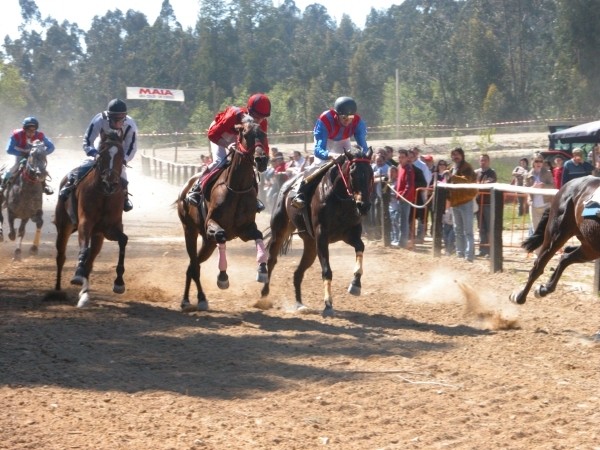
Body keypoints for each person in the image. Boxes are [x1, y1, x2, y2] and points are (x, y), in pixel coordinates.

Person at [187, 93, 271, 210]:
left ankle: (252, 198)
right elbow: (212, 134)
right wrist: (227, 144)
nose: (259, 120)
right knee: (220, 161)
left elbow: (263, 142)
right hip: (221, 131)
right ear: (249, 111)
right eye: (257, 116)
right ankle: (196, 189)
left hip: (239, 135)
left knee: (247, 163)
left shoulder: (262, 122)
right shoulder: (234, 114)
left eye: (263, 117)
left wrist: (264, 156)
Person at [59, 98, 138, 211]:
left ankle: (124, 196)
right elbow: (87, 141)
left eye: (120, 119)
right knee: (85, 165)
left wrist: (123, 160)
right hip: (100, 148)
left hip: (118, 152)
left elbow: (131, 147)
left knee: (122, 173)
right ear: (108, 116)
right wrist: (94, 154)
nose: (117, 123)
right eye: (114, 119)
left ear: (125, 117)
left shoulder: (130, 125)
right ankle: (70, 184)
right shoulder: (99, 119)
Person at [291, 96, 369, 209]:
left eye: (351, 117)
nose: (348, 121)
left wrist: (364, 158)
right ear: (336, 114)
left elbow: (363, 146)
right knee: (320, 164)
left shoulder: (358, 122)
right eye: (344, 118)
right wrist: (330, 155)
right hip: (325, 141)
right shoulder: (325, 120)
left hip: (344, 140)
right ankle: (299, 192)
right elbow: (318, 150)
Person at [1, 117, 55, 195]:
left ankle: (44, 185)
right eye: (29, 130)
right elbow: (8, 149)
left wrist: (42, 154)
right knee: (13, 166)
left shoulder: (40, 135)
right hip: (18, 154)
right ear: (24, 129)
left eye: (33, 130)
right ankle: (3, 184)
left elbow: (51, 147)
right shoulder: (16, 135)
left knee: (40, 167)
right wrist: (21, 154)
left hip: (33, 155)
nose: (31, 133)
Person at [446, 147, 477, 262]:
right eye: (453, 155)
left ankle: (469, 256)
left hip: (466, 201)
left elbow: (467, 180)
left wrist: (452, 177)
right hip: (455, 203)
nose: (455, 157)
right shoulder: (450, 168)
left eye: (457, 154)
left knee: (468, 231)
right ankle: (460, 254)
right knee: (457, 230)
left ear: (462, 155)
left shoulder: (467, 167)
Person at [525, 154, 554, 249]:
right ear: (533, 162)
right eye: (537, 161)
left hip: (546, 205)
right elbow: (524, 189)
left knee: (547, 229)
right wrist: (532, 188)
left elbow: (553, 186)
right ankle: (538, 253)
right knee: (535, 230)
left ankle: (546, 250)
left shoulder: (548, 173)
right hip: (534, 205)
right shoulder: (528, 175)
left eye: (541, 161)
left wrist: (543, 186)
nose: (539, 163)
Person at [474, 154, 497, 257]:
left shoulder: (491, 173)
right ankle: (482, 249)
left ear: (488, 161)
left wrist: (478, 186)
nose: (483, 162)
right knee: (481, 227)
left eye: (485, 160)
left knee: (489, 228)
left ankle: (490, 250)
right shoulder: (476, 173)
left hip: (488, 203)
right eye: (481, 160)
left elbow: (488, 185)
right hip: (478, 203)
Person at [395, 148, 415, 249]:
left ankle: (402, 242)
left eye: (403, 157)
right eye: (399, 157)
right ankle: (400, 240)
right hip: (400, 198)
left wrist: (403, 195)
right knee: (399, 220)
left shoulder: (408, 169)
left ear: (407, 158)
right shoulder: (400, 167)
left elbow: (409, 185)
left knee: (403, 221)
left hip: (405, 199)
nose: (400, 159)